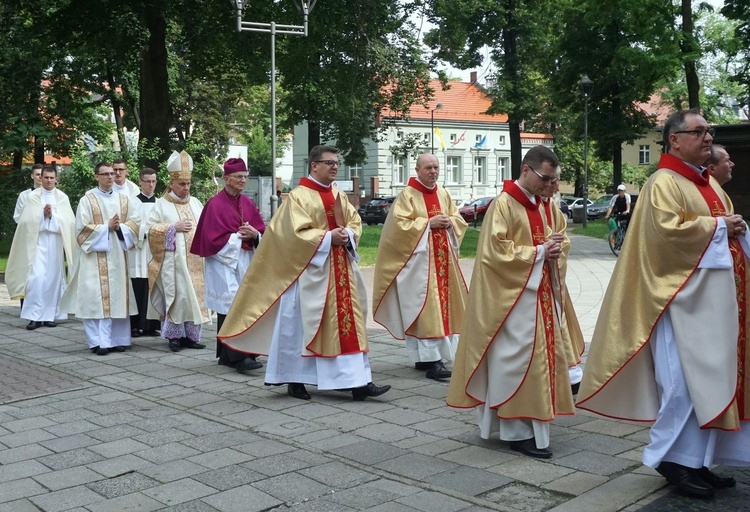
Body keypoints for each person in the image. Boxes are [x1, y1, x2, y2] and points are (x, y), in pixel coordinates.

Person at [577, 109, 750, 499]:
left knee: (707, 383)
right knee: (682, 387)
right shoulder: (663, 183)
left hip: (711, 308)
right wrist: (721, 226)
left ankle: (697, 461)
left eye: (710, 131)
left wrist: (733, 227)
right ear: (674, 139)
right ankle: (671, 459)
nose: (708, 137)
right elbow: (665, 238)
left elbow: (725, 229)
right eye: (699, 132)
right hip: (675, 305)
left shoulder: (708, 183)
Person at [217, 145, 391, 401]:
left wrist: (349, 235)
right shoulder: (299, 196)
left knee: (348, 324)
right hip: (307, 273)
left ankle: (358, 381)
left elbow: (354, 222)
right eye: (329, 162)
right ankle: (294, 379)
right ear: (314, 166)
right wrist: (326, 237)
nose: (334, 166)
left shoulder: (338, 195)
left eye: (336, 162)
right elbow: (289, 235)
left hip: (340, 271)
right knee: (299, 328)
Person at [447, 145, 574, 459]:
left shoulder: (546, 205)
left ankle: (534, 422)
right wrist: (540, 252)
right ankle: (516, 430)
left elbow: (560, 237)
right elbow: (495, 253)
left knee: (540, 362)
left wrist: (556, 248)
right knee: (515, 361)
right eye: (546, 179)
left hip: (540, 295)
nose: (550, 186)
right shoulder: (503, 205)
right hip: (512, 301)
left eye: (554, 180)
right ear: (526, 170)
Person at [372, 153, 468, 380]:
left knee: (442, 309)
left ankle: (426, 358)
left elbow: (458, 219)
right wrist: (428, 224)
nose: (433, 171)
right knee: (425, 309)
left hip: (443, 263)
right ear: (417, 169)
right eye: (428, 168)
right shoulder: (408, 195)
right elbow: (399, 228)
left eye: (436, 167)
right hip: (420, 266)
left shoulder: (443, 193)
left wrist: (450, 223)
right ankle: (431, 361)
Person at [190, 157, 266, 373]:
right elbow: (211, 239)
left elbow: (260, 231)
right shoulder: (214, 204)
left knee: (244, 304)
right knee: (231, 305)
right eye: (239, 177)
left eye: (245, 176)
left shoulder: (248, 203)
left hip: (244, 261)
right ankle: (238, 356)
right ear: (226, 179)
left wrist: (255, 235)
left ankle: (227, 354)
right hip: (223, 261)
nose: (243, 180)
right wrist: (237, 239)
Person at [60, 161, 141, 355]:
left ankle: (116, 340)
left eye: (112, 174)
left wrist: (120, 227)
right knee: (94, 299)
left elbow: (136, 223)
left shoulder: (124, 200)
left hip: (117, 256)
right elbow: (80, 229)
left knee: (117, 297)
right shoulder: (87, 200)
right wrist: (106, 227)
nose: (110, 177)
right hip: (94, 258)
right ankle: (97, 342)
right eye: (105, 174)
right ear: (97, 176)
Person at [147, 151, 209, 352]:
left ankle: (191, 337)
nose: (186, 188)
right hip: (173, 262)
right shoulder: (160, 205)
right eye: (182, 184)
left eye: (188, 183)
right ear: (171, 183)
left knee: (193, 297)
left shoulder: (196, 203)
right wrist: (173, 227)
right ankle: (174, 336)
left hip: (196, 262)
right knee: (178, 297)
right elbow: (149, 229)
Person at [6, 166, 75, 330]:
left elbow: (69, 223)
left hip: (55, 243)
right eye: (46, 177)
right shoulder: (32, 197)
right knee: (35, 279)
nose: (49, 180)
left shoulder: (62, 198)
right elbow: (25, 222)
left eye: (52, 178)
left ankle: (50, 315)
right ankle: (34, 316)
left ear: (56, 179)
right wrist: (42, 216)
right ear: (40, 179)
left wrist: (52, 217)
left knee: (53, 279)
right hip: (36, 244)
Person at [540, 167, 584, 394]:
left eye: (557, 181)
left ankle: (569, 374)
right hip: (535, 280)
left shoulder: (551, 207)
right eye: (552, 181)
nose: (556, 187)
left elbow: (564, 238)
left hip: (554, 279)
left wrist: (558, 243)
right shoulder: (517, 205)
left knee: (560, 323)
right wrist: (547, 242)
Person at [129, 168, 162, 338]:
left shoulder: (160, 203)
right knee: (137, 286)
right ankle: (134, 325)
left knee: (152, 285)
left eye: (153, 181)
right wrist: (146, 231)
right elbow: (130, 225)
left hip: (153, 250)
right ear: (140, 182)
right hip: (138, 249)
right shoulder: (132, 202)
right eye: (147, 181)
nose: (150, 185)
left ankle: (151, 325)